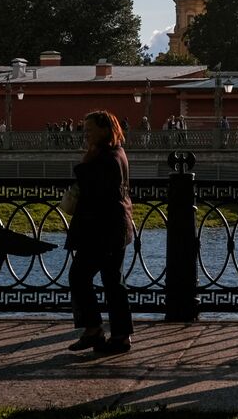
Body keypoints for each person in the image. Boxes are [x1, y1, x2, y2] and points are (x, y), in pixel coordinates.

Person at [65, 110, 135, 355]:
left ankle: (99, 331)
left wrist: (84, 164)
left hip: (104, 230)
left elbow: (95, 190)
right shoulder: (116, 153)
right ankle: (114, 334)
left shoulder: (107, 158)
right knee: (111, 281)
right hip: (112, 228)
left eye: (90, 129)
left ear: (105, 130)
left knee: (80, 276)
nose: (86, 134)